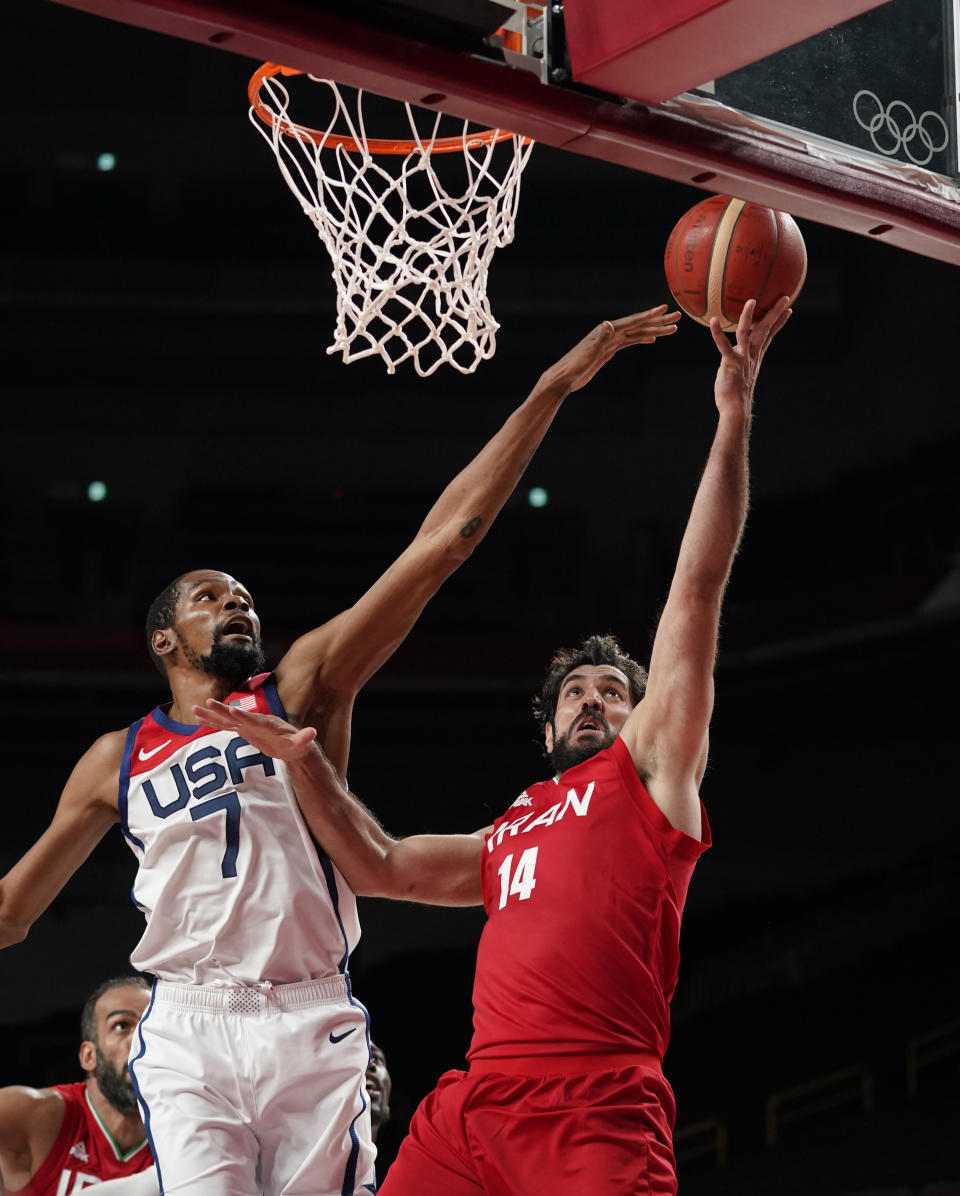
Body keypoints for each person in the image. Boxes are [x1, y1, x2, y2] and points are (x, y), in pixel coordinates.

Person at [0, 305, 679, 1196]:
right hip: (189, 1021)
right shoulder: (113, 758)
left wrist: (551, 389)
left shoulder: (304, 684)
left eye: (244, 595)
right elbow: (13, 911)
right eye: (211, 597)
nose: (238, 603)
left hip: (308, 1013)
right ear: (165, 641)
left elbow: (443, 548)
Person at [191, 296, 792, 1196]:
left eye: (614, 695)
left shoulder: (652, 777)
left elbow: (696, 591)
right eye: (575, 695)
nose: (593, 703)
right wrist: (302, 758)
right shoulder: (512, 830)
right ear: (546, 727)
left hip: (596, 1101)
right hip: (473, 1109)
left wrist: (734, 416)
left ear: (644, 717)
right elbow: (381, 864)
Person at [0, 976, 154, 1196]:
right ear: (89, 1056)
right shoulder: (37, 1115)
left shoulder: (187, 1132)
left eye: (151, 1028)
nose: (141, 1039)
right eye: (122, 1026)